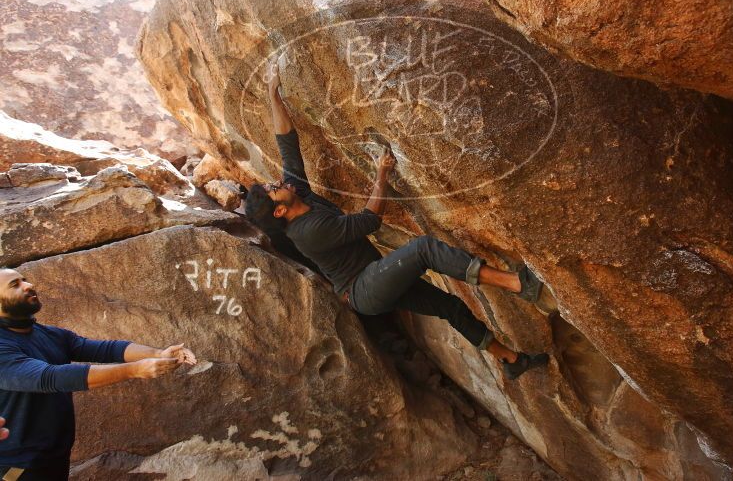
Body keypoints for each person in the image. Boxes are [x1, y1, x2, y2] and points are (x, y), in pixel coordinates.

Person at [246, 61, 550, 381]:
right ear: (280, 210)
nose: (280, 183)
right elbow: (368, 222)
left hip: (374, 276)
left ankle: (511, 360)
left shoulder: (299, 196)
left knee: (450, 307)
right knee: (424, 249)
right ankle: (519, 285)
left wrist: (272, 92)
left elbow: (287, 144)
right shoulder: (309, 232)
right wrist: (381, 175)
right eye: (275, 189)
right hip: (363, 290)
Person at [0, 268, 197, 481]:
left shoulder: (49, 334)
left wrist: (158, 353)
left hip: (52, 457)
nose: (28, 286)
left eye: (25, 280)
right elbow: (50, 377)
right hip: (15, 465)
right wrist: (135, 370)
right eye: (15, 285)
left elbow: (106, 349)